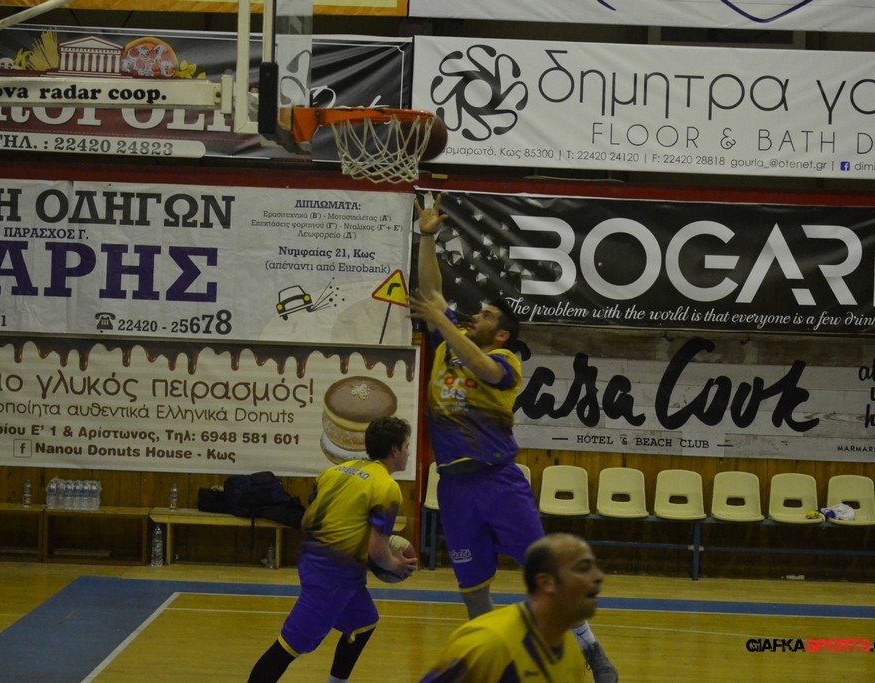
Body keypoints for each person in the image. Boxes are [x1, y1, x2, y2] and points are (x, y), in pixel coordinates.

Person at [409, 193, 618, 683]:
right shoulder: (450, 340)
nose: (474, 318)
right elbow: (432, 293)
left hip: (499, 482)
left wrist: (442, 322)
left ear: (501, 334)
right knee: (471, 588)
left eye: (484, 316)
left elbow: (480, 366)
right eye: (477, 314)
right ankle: (491, 660)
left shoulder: (505, 362)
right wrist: (427, 238)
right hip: (454, 486)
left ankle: (590, 649)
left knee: (548, 573)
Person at [247, 416, 418, 683]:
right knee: (287, 647)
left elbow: (306, 521)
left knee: (364, 622)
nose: (409, 452)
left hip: (317, 563)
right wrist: (397, 565)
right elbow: (378, 551)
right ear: (394, 450)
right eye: (407, 446)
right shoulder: (387, 488)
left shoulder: (335, 471)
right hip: (332, 577)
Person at [420, 533, 605, 682]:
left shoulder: (571, 652)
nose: (598, 577)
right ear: (546, 582)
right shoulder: (488, 645)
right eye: (583, 568)